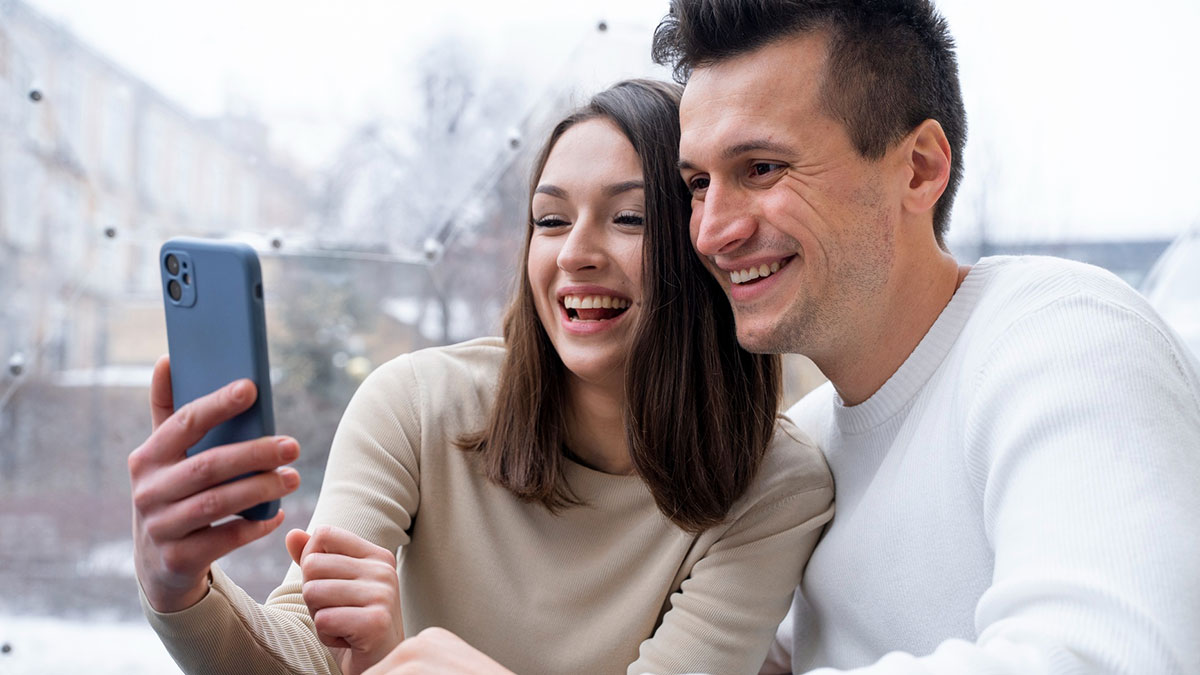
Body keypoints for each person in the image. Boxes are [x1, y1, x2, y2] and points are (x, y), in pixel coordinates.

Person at [128, 79, 834, 675]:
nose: (575, 254)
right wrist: (179, 589)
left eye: (629, 217)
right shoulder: (416, 404)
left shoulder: (775, 487)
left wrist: (391, 657)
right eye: (550, 220)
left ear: (704, 243)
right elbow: (303, 651)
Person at [650, 1, 1200, 673]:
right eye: (699, 184)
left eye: (762, 168)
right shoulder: (804, 447)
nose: (711, 231)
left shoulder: (1064, 340)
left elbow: (1107, 655)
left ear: (918, 169)